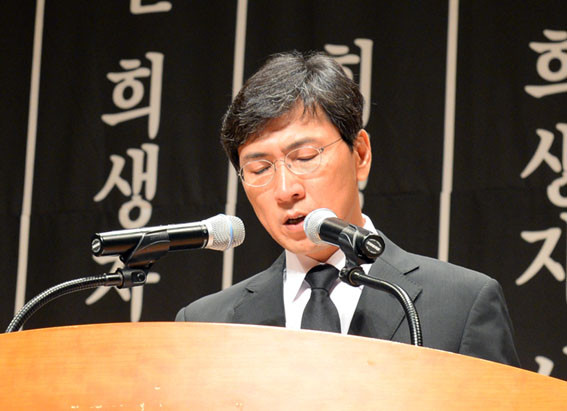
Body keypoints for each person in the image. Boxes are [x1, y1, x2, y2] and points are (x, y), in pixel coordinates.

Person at [176, 50, 520, 366]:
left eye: (305, 157)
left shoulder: (460, 304)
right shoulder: (207, 324)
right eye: (259, 169)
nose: (285, 190)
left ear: (361, 155)